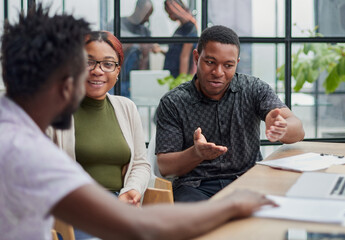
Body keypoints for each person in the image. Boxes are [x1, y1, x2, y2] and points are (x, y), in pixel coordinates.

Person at [0, 5, 277, 240]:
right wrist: (231, 205)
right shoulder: (23, 152)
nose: (93, 76)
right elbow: (139, 225)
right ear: (63, 83)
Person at [155, 25, 305, 202]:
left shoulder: (253, 89)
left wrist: (283, 127)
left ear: (237, 63)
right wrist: (197, 153)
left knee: (274, 214)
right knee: (197, 222)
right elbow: (165, 166)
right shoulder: (173, 102)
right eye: (210, 62)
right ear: (196, 57)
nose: (218, 72)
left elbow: (299, 130)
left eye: (228, 65)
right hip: (196, 187)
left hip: (248, 181)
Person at [47, 31, 151, 239]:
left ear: (118, 70)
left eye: (108, 64)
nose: (98, 71)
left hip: (119, 205)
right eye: (89, 62)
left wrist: (130, 191)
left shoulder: (127, 108)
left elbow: (140, 163)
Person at [152, 0, 198, 78]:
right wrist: (160, 50)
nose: (169, 16)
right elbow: (175, 53)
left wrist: (181, 81)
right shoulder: (180, 28)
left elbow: (185, 57)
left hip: (177, 75)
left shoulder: (190, 28)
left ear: (175, 10)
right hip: (170, 74)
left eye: (169, 13)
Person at [119, 0, 153, 97]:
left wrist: (146, 54)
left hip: (136, 82)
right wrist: (135, 43)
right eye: (146, 15)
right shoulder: (118, 24)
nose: (147, 19)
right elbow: (110, 49)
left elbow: (146, 61)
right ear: (138, 9)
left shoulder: (145, 31)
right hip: (118, 80)